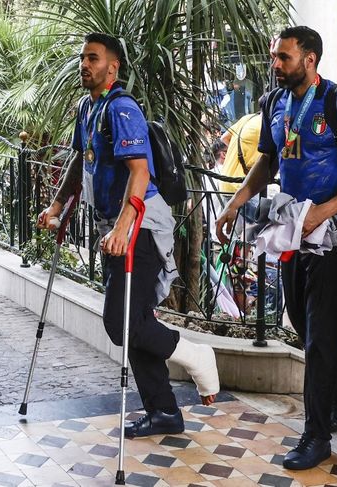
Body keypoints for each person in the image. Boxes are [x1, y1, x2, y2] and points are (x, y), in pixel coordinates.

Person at [216, 26, 337, 470]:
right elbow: (266, 162)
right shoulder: (273, 103)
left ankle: (316, 437)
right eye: (274, 56)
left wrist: (326, 210)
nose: (274, 64)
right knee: (297, 317)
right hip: (292, 229)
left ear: (310, 59)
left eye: (283, 57)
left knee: (321, 332)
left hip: (335, 235)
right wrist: (235, 204)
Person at [38, 32, 219, 439]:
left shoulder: (122, 108)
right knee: (134, 321)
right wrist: (56, 206)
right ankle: (164, 413)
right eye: (83, 57)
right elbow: (79, 163)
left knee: (120, 322)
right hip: (114, 228)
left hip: (140, 225)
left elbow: (139, 171)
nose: (85, 64)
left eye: (94, 58)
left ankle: (195, 354)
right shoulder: (88, 107)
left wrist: (123, 226)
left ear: (112, 67)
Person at [218, 112, 262, 195]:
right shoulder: (264, 127)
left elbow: (224, 138)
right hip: (242, 187)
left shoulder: (248, 118)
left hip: (225, 182)